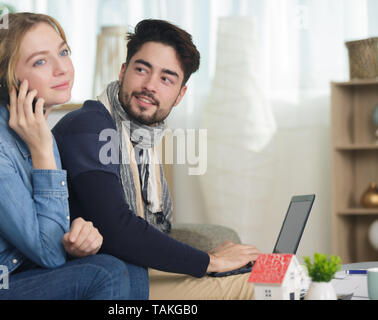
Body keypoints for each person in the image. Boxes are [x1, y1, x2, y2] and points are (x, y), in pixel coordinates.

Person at [0, 12, 148, 300]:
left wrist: (77, 236)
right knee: (102, 272)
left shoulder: (36, 132)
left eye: (63, 52)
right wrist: (43, 150)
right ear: (7, 79)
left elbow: (46, 234)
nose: (62, 69)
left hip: (9, 278)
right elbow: (49, 253)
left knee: (131, 266)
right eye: (40, 61)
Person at [52, 19, 261, 300]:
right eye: (141, 69)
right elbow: (116, 228)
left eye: (166, 78)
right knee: (256, 287)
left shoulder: (142, 139)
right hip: (107, 279)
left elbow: (155, 229)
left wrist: (212, 262)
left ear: (179, 95)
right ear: (123, 71)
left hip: (134, 270)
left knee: (267, 274)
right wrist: (209, 261)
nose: (150, 86)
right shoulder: (90, 126)